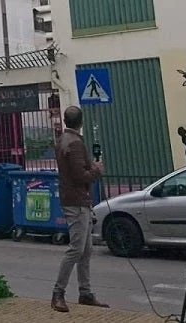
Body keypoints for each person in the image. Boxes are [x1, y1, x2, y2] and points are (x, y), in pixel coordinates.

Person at [51, 106, 107, 312]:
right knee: (76, 249)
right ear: (81, 122)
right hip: (76, 201)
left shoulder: (63, 141)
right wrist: (96, 170)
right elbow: (80, 176)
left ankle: (85, 292)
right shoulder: (74, 143)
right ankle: (58, 292)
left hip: (74, 199)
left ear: (66, 121)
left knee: (86, 249)